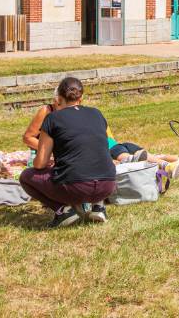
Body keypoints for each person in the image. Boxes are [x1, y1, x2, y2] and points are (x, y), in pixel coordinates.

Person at [19, 76, 116, 228]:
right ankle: (99, 206)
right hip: (108, 185)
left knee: (26, 176)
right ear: (81, 98)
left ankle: (63, 211)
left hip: (76, 188)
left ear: (58, 99)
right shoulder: (97, 114)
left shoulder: (52, 119)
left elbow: (40, 163)